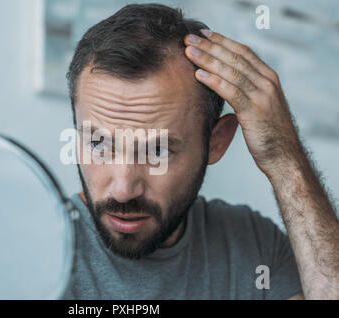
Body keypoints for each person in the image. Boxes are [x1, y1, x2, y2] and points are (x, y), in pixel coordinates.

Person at [62, 3, 338, 299]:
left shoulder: (254, 248)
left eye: (158, 150)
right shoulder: (33, 248)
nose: (123, 190)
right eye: (99, 144)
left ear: (216, 142)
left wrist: (284, 158)